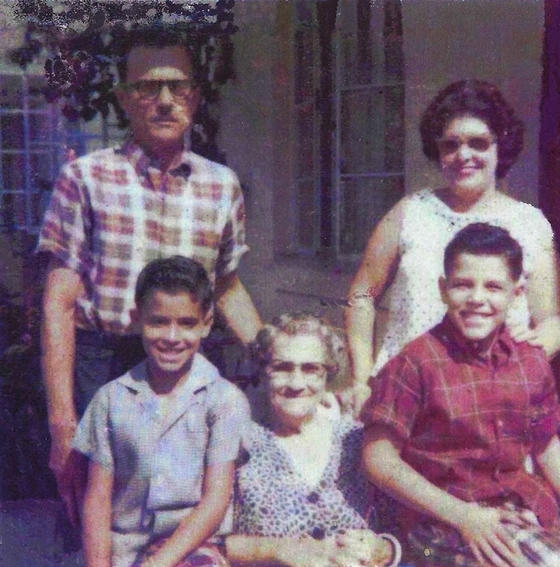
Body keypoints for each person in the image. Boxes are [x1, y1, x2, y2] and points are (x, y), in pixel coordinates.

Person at [37, 28, 262, 525]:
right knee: (99, 519)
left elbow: (226, 285)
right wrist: (62, 420)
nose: (164, 101)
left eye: (178, 87)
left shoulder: (220, 185)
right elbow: (59, 302)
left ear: (196, 98)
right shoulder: (86, 179)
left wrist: (272, 351)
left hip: (184, 362)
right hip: (105, 363)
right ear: (124, 98)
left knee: (183, 515)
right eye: (147, 87)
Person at [361, 223, 560, 567]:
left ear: (517, 293)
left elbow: (546, 446)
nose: (477, 299)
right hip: (440, 521)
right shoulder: (416, 363)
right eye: (463, 285)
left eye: (494, 286)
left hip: (515, 513)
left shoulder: (530, 361)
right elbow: (378, 459)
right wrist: (464, 516)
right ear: (443, 289)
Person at [345, 79, 560, 412]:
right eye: (451, 145)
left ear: (499, 147)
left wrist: (521, 364)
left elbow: (553, 321)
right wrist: (362, 379)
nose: (464, 155)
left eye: (478, 143)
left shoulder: (529, 224)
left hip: (491, 400)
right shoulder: (410, 213)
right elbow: (362, 296)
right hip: (407, 394)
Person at [74, 256, 250, 567]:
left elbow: (215, 500)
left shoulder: (224, 400)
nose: (171, 337)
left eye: (186, 323)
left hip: (195, 546)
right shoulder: (111, 400)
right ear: (137, 318)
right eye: (158, 322)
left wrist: (159, 563)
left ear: (207, 323)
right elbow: (98, 501)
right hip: (124, 549)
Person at [222, 313, 401, 567]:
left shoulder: (357, 440)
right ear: (263, 373)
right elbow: (212, 543)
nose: (296, 383)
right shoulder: (240, 443)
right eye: (282, 368)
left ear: (328, 374)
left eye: (310, 369)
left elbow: (405, 536)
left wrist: (384, 549)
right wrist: (276, 550)